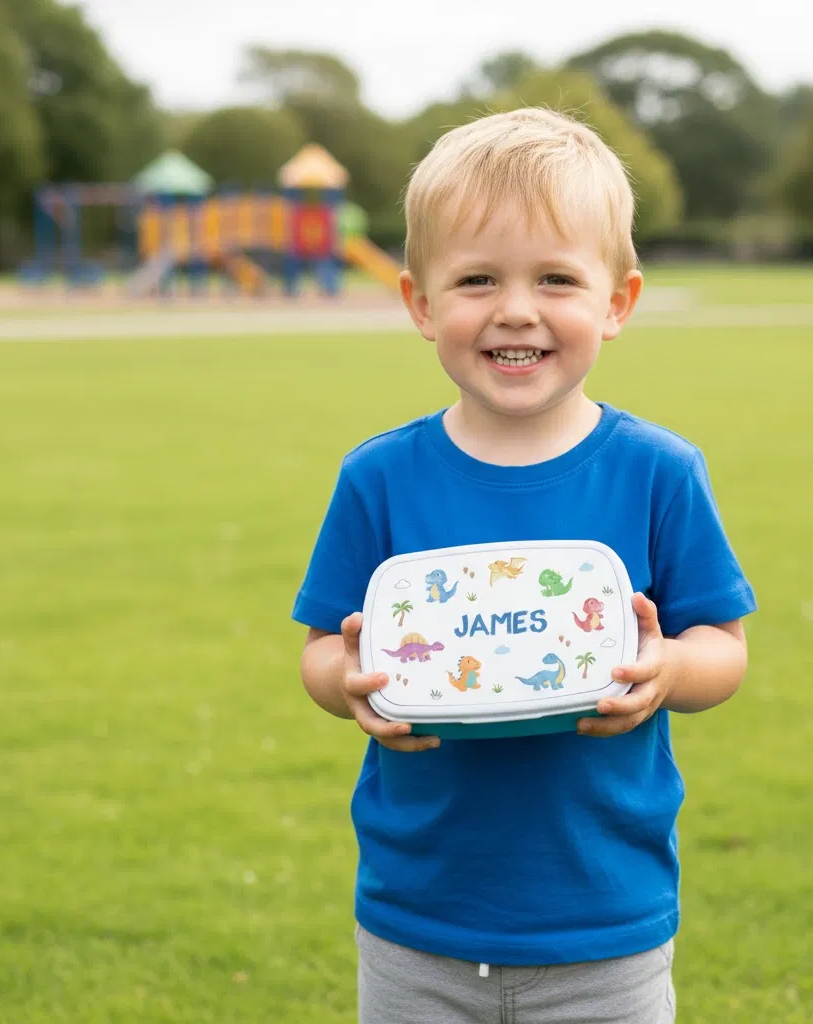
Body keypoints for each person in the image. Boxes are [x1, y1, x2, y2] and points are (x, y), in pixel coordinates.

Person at [292, 107, 757, 1023]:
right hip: (416, 916)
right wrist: (349, 679)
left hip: (603, 917)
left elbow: (723, 649)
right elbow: (321, 649)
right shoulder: (378, 477)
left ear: (616, 302)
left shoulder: (658, 472)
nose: (515, 309)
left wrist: (667, 670)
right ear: (421, 304)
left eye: (554, 277)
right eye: (476, 278)